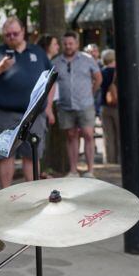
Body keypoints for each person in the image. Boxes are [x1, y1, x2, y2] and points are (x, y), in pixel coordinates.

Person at [0, 17, 53, 188]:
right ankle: (7, 196)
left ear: (23, 31)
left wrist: (49, 107)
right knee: (5, 155)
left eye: (15, 33)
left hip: (34, 114)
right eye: (7, 34)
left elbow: (51, 79)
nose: (11, 37)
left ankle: (33, 195)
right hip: (4, 113)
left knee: (32, 155)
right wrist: (0, 68)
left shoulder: (38, 52)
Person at [52, 31, 102, 178]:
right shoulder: (56, 62)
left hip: (85, 104)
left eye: (71, 43)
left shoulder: (87, 59)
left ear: (77, 44)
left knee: (88, 134)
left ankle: (90, 170)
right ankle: (73, 170)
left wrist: (91, 93)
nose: (68, 46)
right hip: (65, 105)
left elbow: (98, 78)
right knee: (71, 136)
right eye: (65, 43)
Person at [99, 49, 120, 164]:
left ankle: (110, 161)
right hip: (118, 108)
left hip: (105, 106)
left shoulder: (102, 72)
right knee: (120, 137)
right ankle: (121, 161)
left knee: (108, 137)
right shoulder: (119, 71)